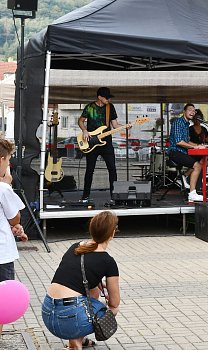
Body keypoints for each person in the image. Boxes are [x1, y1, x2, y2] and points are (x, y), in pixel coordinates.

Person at [41, 211, 120, 350]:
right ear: (112, 233)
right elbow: (114, 303)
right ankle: (75, 341)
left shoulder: (76, 246)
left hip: (48, 313)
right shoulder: (108, 262)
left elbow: (76, 278)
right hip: (69, 320)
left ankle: (79, 341)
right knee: (112, 309)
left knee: (93, 293)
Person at [78, 87, 129, 202]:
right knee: (89, 170)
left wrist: (125, 126)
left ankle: (114, 196)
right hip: (92, 143)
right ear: (99, 97)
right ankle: (85, 196)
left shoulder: (110, 107)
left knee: (112, 169)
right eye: (107, 97)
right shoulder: (90, 107)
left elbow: (115, 125)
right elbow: (80, 121)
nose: (108, 99)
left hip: (107, 143)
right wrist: (85, 131)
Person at [0, 138, 28, 336]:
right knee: (1, 304)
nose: (9, 164)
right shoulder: (3, 189)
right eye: (8, 160)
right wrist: (7, 184)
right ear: (1, 159)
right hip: (2, 255)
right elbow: (14, 216)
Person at [168, 103, 206, 202]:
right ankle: (192, 194)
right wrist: (196, 147)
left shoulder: (186, 124)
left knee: (202, 158)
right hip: (175, 152)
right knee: (197, 165)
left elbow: (187, 141)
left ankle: (183, 177)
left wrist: (199, 146)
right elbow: (179, 142)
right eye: (190, 110)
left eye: (194, 111)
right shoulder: (178, 122)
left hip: (182, 151)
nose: (192, 112)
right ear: (184, 111)